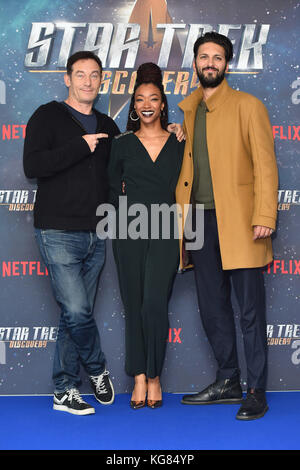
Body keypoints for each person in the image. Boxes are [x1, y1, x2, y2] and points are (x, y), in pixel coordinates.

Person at [176, 32, 278, 420]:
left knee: (250, 310)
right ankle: (227, 381)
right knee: (212, 308)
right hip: (199, 222)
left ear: (227, 64)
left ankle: (256, 390)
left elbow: (266, 165)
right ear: (196, 64)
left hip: (240, 221)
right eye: (204, 57)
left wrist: (265, 216)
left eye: (217, 58)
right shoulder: (189, 112)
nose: (210, 63)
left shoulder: (248, 105)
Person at [23, 51, 120, 415]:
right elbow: (32, 166)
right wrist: (79, 146)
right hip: (57, 231)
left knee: (71, 313)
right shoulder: (47, 116)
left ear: (100, 80)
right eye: (80, 75)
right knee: (78, 310)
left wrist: (174, 128)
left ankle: (64, 389)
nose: (87, 81)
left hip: (97, 234)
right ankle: (96, 369)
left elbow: (121, 170)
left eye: (94, 75)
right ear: (67, 78)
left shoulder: (109, 125)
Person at [108, 63, 184, 409]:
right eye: (140, 99)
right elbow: (111, 191)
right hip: (129, 231)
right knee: (134, 304)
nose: (147, 104)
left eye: (153, 98)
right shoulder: (122, 144)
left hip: (167, 229)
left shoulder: (179, 142)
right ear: (134, 106)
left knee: (155, 303)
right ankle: (138, 377)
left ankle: (155, 375)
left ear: (163, 104)